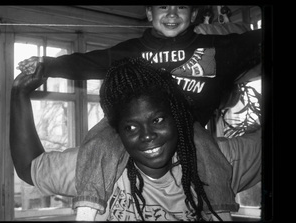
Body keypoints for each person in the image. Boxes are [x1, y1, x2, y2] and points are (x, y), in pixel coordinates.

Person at [16, 5, 262, 216]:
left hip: (187, 127)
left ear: (195, 12)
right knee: (97, 146)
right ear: (148, 12)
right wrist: (48, 65)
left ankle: (217, 212)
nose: (172, 14)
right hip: (124, 124)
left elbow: (254, 42)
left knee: (209, 154)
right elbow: (90, 62)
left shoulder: (217, 49)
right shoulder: (134, 51)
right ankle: (87, 209)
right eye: (163, 7)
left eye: (181, 7)